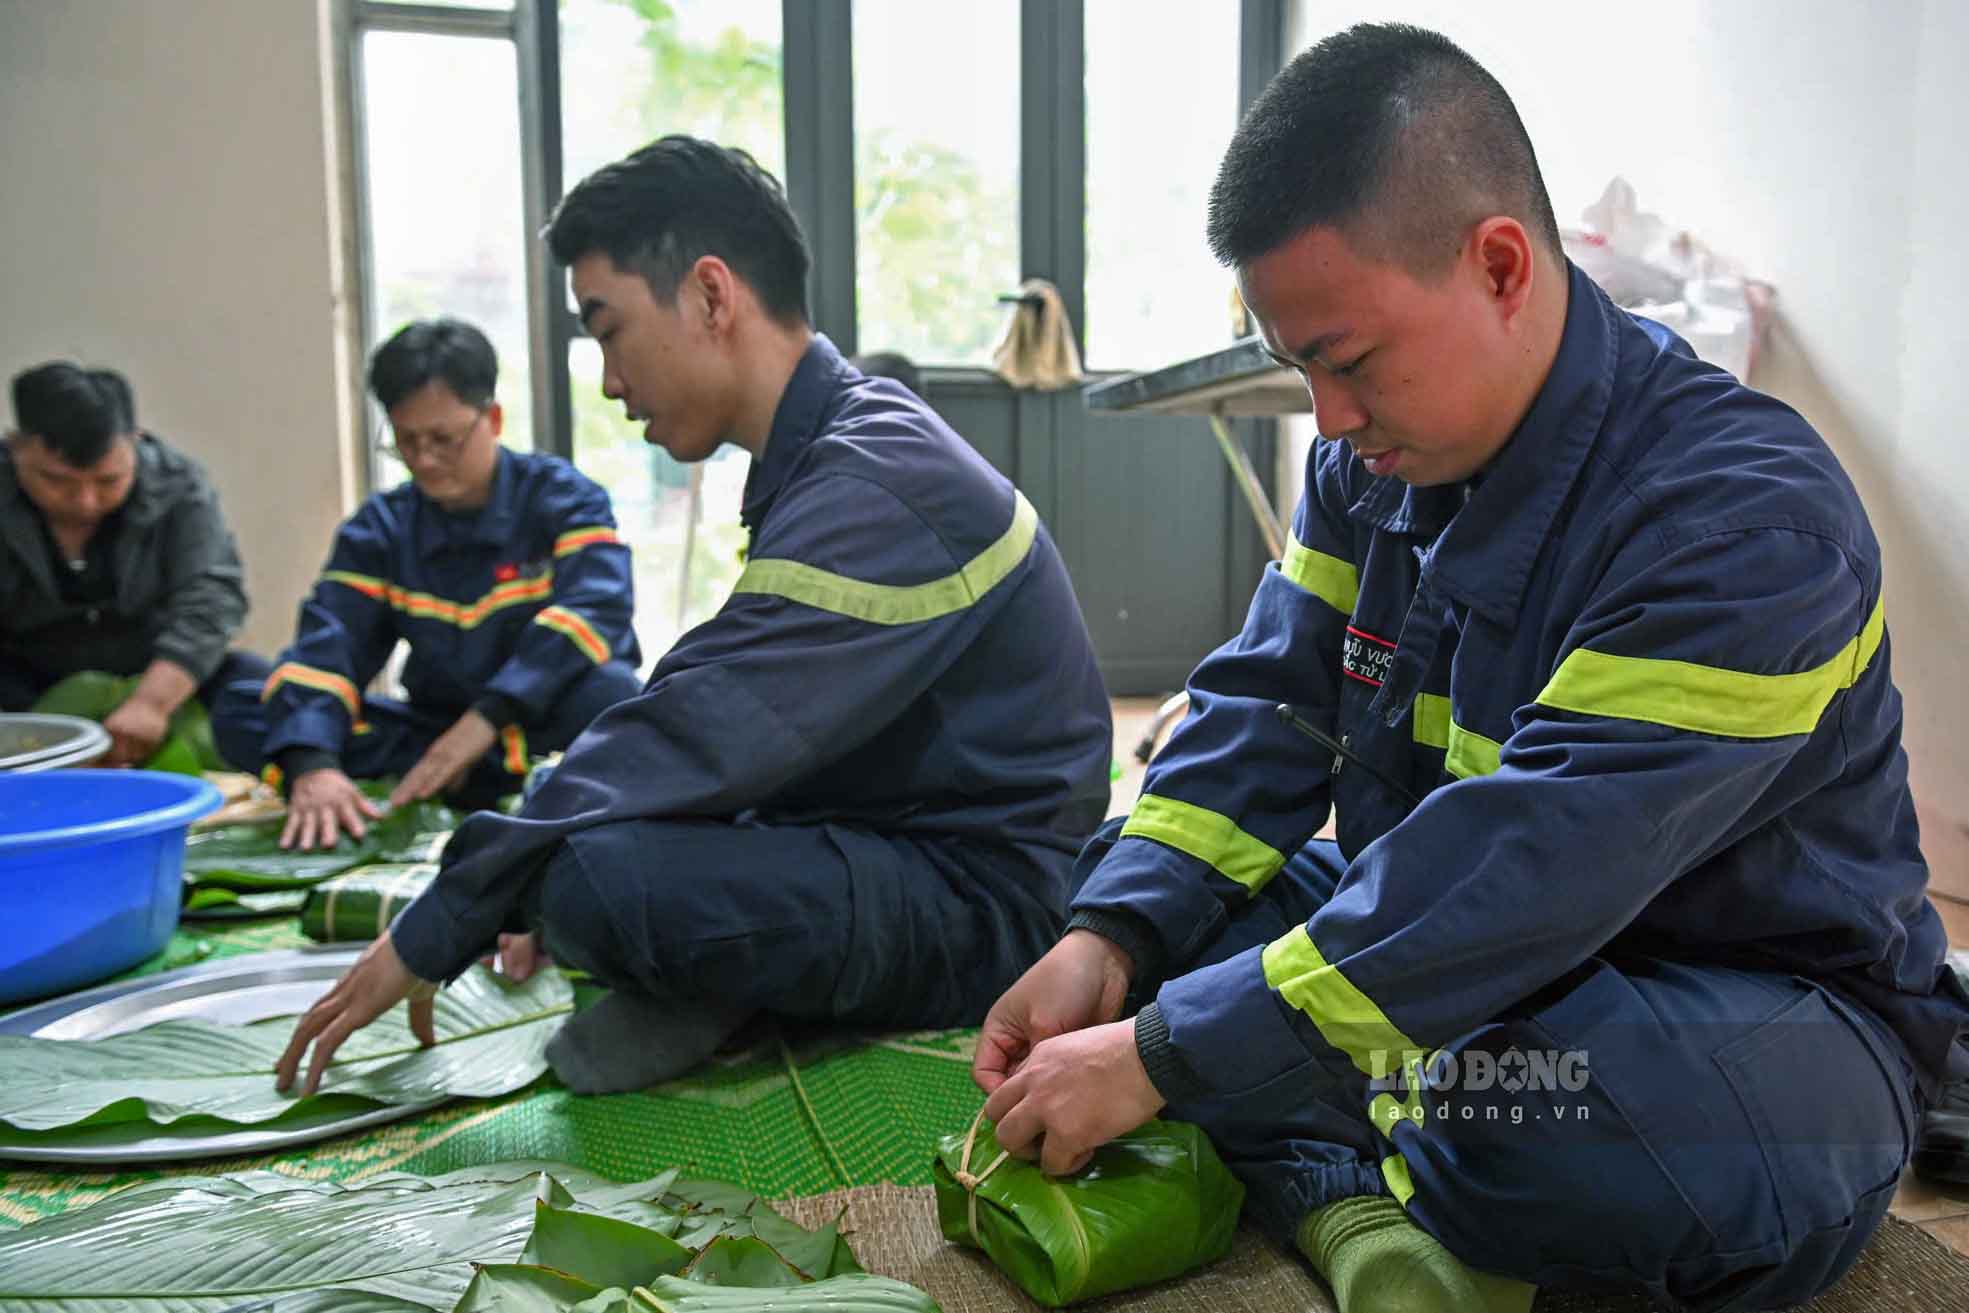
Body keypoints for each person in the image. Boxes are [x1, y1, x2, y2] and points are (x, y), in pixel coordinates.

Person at [971, 23, 1969, 1313]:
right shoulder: (1370, 467)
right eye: (1299, 367)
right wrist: (1109, 940)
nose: (1325, 418)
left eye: (1347, 358)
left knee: (1524, 1114)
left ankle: (1346, 1155)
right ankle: (1361, 1159)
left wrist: (1170, 1052)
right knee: (1132, 925)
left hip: (1741, 997)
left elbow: (1532, 864)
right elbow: (1269, 705)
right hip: (1475, 944)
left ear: (1499, 265)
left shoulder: (1743, 521)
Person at [274, 137, 1113, 1096]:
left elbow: (702, 725)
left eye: (607, 328)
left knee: (587, 875)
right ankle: (731, 985)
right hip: (878, 832)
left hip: (983, 898)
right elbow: (727, 722)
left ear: (712, 295)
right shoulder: (825, 454)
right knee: (575, 827)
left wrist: (450, 912)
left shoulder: (880, 477)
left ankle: (734, 990)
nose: (606, 379)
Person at [210, 318, 642, 845]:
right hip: (432, 731)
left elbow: (594, 613)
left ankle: (468, 774)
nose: (425, 461)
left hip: (531, 719)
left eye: (444, 439)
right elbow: (330, 646)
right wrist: (312, 765)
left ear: (494, 418)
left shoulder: (566, 501)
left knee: (611, 696)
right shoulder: (381, 529)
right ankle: (454, 780)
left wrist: (485, 721)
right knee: (245, 703)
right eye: (406, 442)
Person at [2, 361, 263, 764]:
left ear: (136, 442)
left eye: (108, 481)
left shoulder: (180, 486)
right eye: (56, 481)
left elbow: (212, 597)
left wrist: (152, 703)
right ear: (15, 446)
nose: (85, 501)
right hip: (25, 685)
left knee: (260, 689)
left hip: (158, 670)